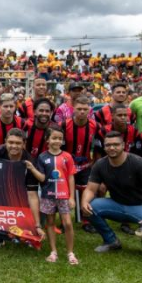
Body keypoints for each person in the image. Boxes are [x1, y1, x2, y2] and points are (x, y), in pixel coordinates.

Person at [82, 131, 142, 259]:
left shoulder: (138, 162)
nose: (112, 148)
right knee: (91, 207)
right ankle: (111, 241)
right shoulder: (100, 164)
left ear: (123, 145)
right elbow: (90, 189)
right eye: (108, 145)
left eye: (116, 144)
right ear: (104, 147)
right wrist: (84, 202)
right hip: (117, 203)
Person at [0, 128, 45, 249]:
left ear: (24, 144)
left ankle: (31, 231)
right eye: (11, 142)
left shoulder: (29, 161)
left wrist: (37, 224)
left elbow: (32, 194)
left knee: (41, 198)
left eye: (18, 143)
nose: (14, 146)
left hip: (21, 190)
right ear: (5, 142)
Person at [60, 95, 104, 233]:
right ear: (73, 109)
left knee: (87, 192)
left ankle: (87, 220)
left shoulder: (96, 126)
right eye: (79, 109)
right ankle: (64, 220)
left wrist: (96, 164)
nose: (82, 112)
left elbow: (98, 148)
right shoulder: (63, 125)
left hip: (86, 165)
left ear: (90, 110)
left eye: (85, 109)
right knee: (64, 193)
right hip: (66, 166)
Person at [37, 125, 78, 265]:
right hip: (48, 195)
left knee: (67, 223)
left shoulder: (67, 156)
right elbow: (42, 177)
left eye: (60, 139)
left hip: (63, 196)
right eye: (54, 138)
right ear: (47, 140)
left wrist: (71, 197)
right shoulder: (42, 157)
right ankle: (53, 251)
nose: (57, 141)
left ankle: (70, 252)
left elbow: (71, 177)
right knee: (50, 223)